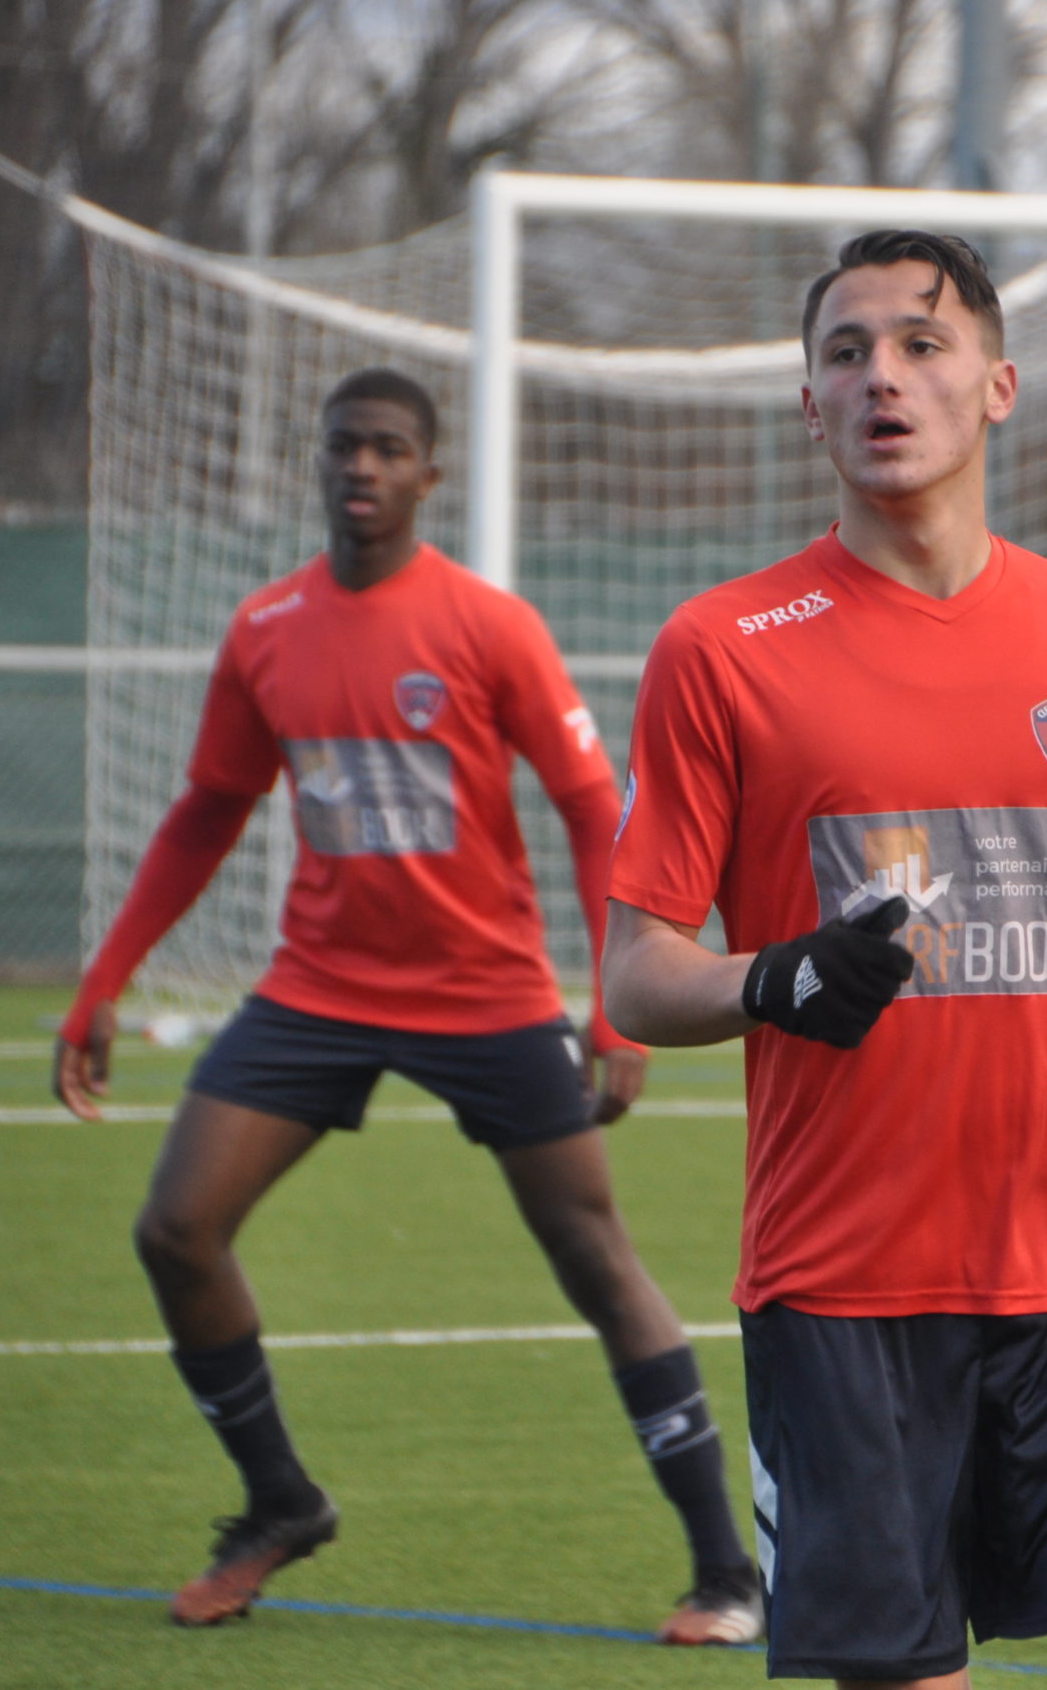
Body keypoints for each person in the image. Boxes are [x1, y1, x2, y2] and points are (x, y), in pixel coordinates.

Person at [601, 229, 1047, 1690]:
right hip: (847, 1301)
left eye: (921, 343)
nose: (882, 377)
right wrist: (774, 979)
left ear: (999, 385)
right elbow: (636, 970)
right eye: (846, 353)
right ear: (808, 404)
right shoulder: (722, 650)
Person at [51, 367, 760, 1643]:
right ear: (318, 464)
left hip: (486, 996)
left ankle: (727, 1570)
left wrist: (614, 1000)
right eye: (343, 448)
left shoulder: (490, 627)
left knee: (595, 1258)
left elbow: (599, 809)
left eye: (386, 449)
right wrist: (104, 981)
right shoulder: (266, 627)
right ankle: (279, 1500)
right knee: (175, 1228)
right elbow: (210, 808)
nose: (361, 468)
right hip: (318, 991)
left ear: (428, 475)